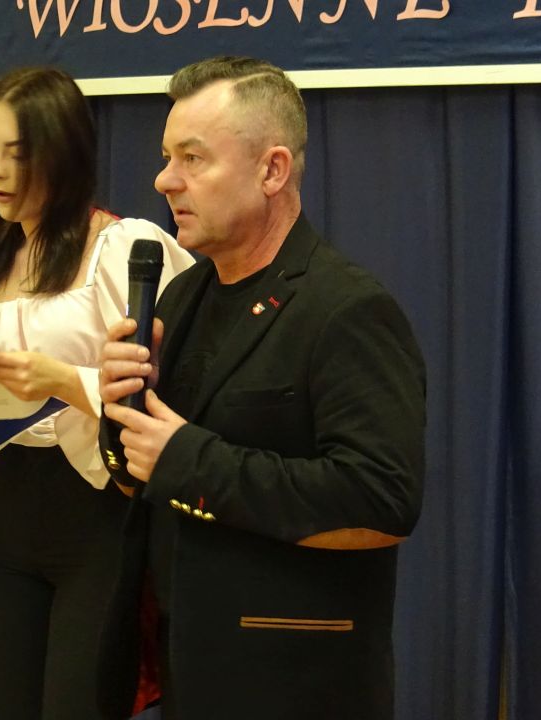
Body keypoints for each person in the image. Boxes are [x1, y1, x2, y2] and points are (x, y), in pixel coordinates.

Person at [96, 56, 426, 720]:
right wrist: (119, 409)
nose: (164, 180)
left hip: (295, 682)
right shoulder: (181, 296)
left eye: (193, 158)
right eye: (166, 158)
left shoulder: (345, 308)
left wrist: (187, 460)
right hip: (190, 670)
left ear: (272, 170)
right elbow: (143, 477)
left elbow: (381, 502)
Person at [0, 67, 191, 720]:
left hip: (97, 506)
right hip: (7, 512)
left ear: (64, 150)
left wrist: (64, 381)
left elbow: (180, 388)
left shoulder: (124, 246)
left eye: (18, 152)